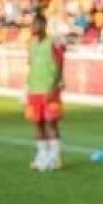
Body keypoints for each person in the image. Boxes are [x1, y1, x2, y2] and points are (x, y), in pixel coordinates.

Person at [25, 12, 65, 171]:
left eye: (36, 24)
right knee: (38, 124)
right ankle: (42, 155)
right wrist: (27, 88)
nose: (33, 27)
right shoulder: (32, 45)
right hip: (34, 90)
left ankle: (55, 158)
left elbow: (60, 65)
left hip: (50, 90)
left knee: (51, 123)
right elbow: (31, 67)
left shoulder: (53, 43)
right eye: (32, 24)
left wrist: (54, 87)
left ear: (43, 25)